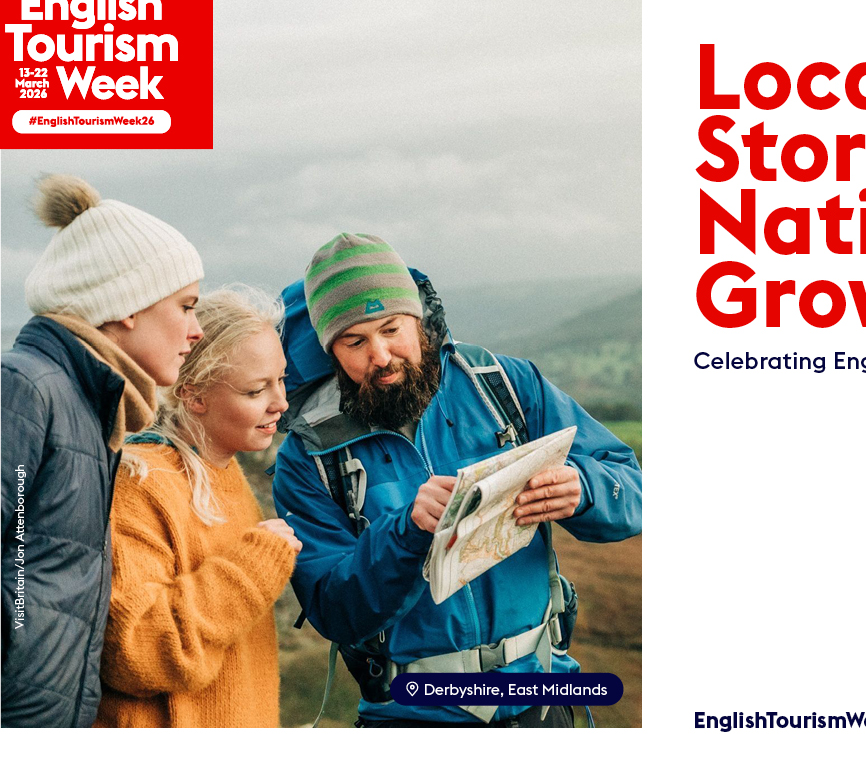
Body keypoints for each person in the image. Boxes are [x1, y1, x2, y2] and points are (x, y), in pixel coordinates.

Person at [272, 232, 642, 727]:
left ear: (418, 319)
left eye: (391, 329)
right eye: (355, 341)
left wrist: (585, 487)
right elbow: (335, 610)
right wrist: (406, 532)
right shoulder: (309, 456)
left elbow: (634, 488)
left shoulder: (503, 385)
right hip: (413, 720)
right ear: (330, 350)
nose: (380, 356)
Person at [1, 175, 205, 727]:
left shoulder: (90, 409)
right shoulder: (27, 387)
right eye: (186, 306)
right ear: (128, 306)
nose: (197, 330)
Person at [96, 288, 302, 727]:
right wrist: (248, 572)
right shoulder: (141, 483)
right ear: (194, 396)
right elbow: (134, 652)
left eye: (281, 379)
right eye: (255, 390)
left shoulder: (224, 471)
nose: (280, 402)